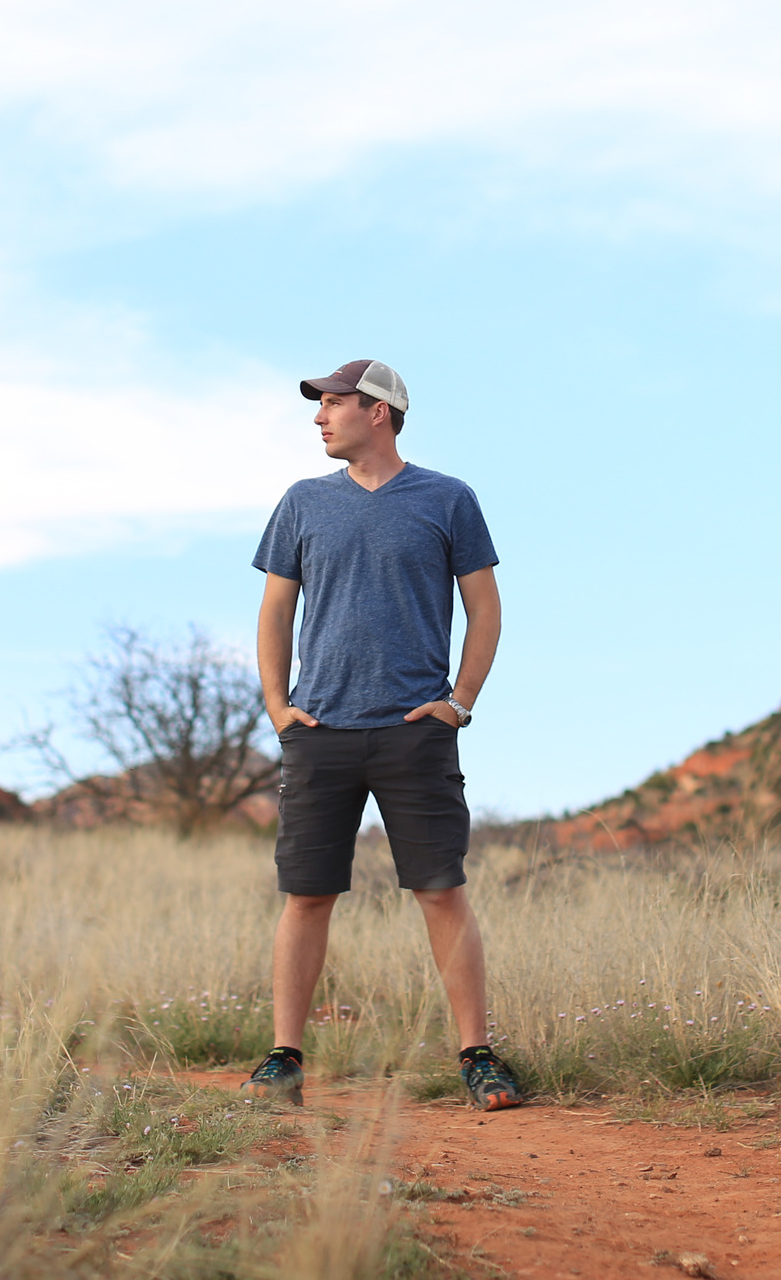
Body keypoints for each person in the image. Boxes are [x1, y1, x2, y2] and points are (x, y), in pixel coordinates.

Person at [238, 358, 522, 1111]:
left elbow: (485, 607)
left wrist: (459, 701)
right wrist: (277, 704)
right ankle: (284, 1059)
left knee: (440, 891)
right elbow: (275, 611)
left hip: (413, 730)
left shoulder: (447, 499)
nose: (320, 417)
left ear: (381, 413)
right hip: (320, 728)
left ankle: (478, 1057)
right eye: (321, 404)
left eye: (333, 404)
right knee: (306, 896)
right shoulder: (302, 503)